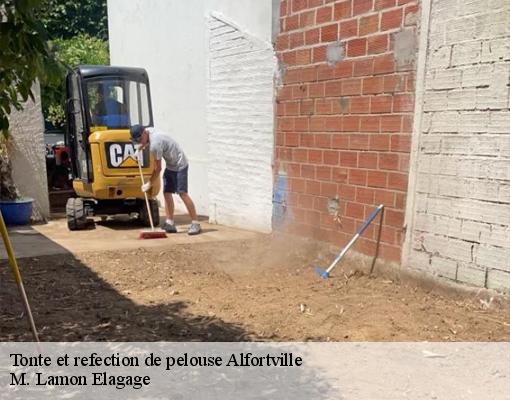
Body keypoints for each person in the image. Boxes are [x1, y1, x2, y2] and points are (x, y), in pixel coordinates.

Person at [130, 124, 201, 235]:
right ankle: (170, 223)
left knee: (182, 193)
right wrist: (139, 149)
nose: (139, 141)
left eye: (139, 139)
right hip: (171, 165)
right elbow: (144, 140)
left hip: (180, 164)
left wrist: (149, 183)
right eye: (136, 140)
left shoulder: (155, 144)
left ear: (144, 132)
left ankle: (196, 223)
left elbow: (157, 169)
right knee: (167, 192)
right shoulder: (148, 132)